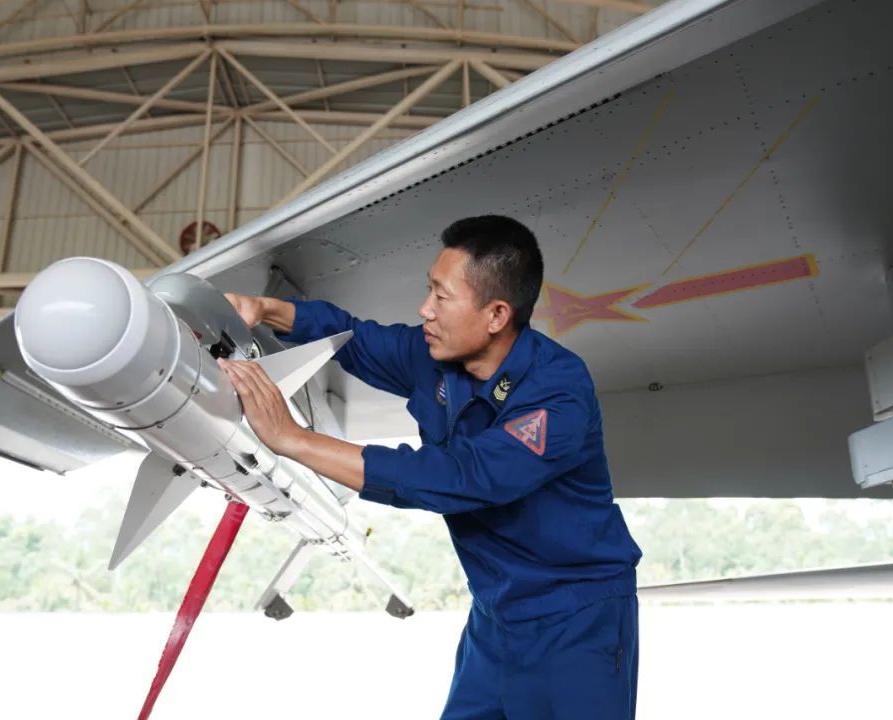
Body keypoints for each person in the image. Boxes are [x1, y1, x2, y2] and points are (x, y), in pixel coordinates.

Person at [220, 215, 641, 720]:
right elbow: (354, 338)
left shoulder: (559, 390)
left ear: (496, 314)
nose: (425, 310)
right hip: (494, 618)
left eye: (441, 297)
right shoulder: (436, 357)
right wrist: (263, 308)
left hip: (576, 622)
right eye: (429, 291)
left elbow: (458, 479)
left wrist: (291, 439)